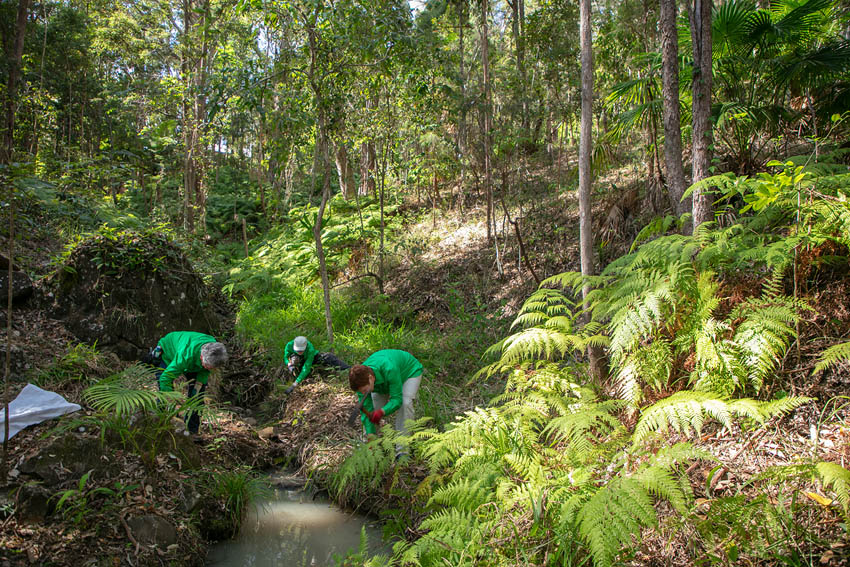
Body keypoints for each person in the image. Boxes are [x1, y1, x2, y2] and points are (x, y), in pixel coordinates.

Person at [144, 331, 228, 434]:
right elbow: (165, 378)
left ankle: (191, 431)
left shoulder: (215, 350)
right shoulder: (185, 355)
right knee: (165, 393)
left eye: (211, 368)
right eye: (207, 366)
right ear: (201, 357)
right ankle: (159, 424)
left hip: (194, 363)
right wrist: (172, 401)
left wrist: (195, 392)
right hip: (168, 352)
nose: (209, 369)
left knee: (197, 399)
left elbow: (203, 374)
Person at [348, 349, 423, 436]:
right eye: (361, 391)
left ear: (371, 378)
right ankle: (370, 441)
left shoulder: (389, 369)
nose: (363, 393)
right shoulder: (360, 382)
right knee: (375, 408)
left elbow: (396, 399)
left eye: (365, 390)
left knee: (405, 403)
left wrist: (382, 412)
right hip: (386, 379)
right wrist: (370, 434)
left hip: (409, 372)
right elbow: (367, 408)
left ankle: (403, 442)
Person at [283, 335, 350, 394]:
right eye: (298, 351)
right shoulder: (289, 345)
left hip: (311, 359)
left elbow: (306, 367)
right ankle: (296, 374)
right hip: (297, 360)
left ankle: (349, 369)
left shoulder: (310, 348)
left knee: (329, 357)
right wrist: (289, 364)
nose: (299, 352)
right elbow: (286, 357)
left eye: (301, 351)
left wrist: (295, 384)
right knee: (295, 359)